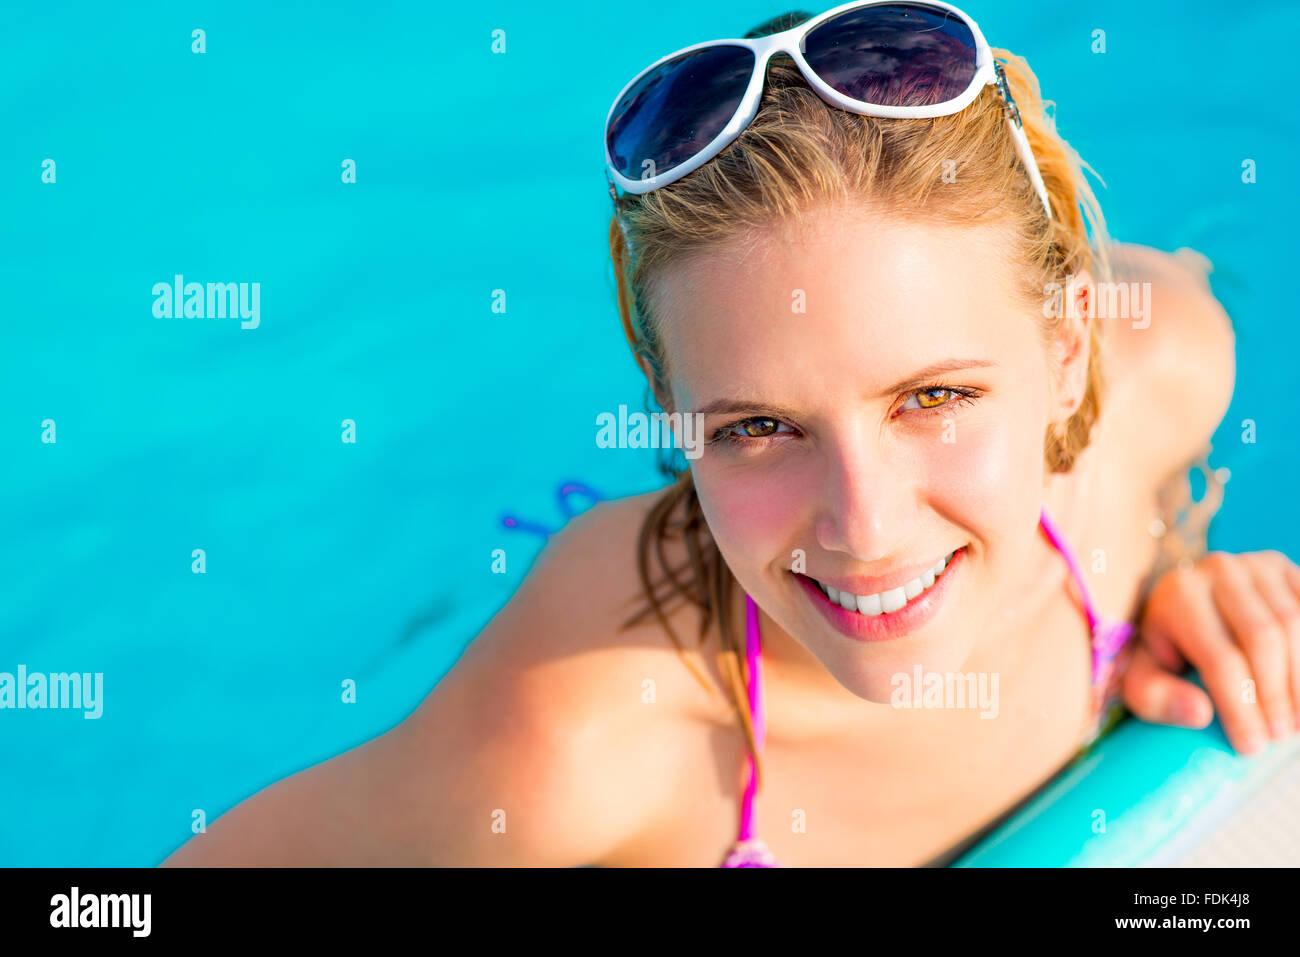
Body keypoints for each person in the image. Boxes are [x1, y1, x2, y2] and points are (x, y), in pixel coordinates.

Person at [164, 3, 1298, 868]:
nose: (865, 526)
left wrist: (1178, 578)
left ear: (1066, 353)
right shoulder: (582, 730)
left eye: (934, 398)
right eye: (758, 426)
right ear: (669, 411)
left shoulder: (1167, 372)